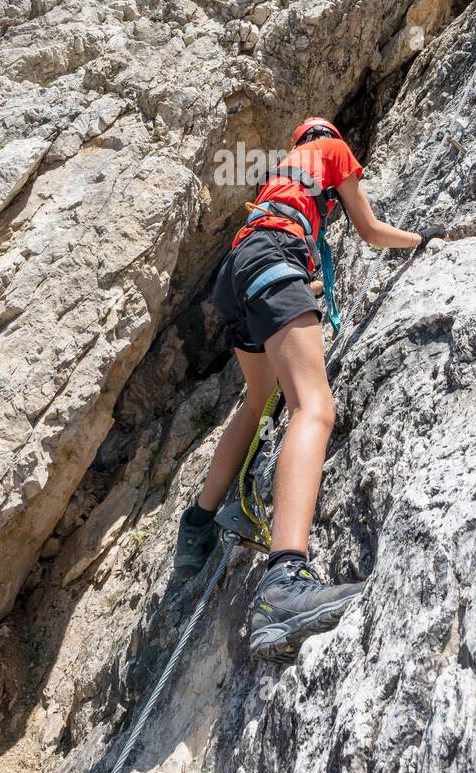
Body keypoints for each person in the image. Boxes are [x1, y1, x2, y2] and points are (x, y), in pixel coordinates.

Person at [175, 117, 422, 663]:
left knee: (260, 399)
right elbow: (371, 230)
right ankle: (285, 580)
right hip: (272, 260)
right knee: (314, 406)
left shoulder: (281, 175)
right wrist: (424, 239)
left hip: (237, 272)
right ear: (327, 135)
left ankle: (197, 524)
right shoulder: (333, 149)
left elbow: (282, 236)